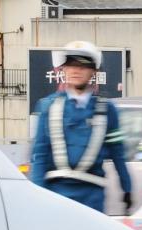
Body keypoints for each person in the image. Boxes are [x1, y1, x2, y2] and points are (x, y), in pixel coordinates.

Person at [30, 40, 132, 213]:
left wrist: (127, 188)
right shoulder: (48, 106)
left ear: (93, 71)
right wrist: (36, 194)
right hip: (56, 196)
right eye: (70, 65)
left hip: (92, 198)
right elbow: (39, 155)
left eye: (82, 66)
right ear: (63, 69)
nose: (76, 70)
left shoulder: (107, 110)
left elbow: (118, 153)